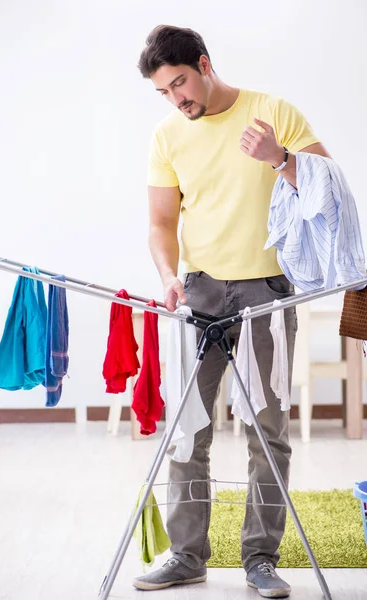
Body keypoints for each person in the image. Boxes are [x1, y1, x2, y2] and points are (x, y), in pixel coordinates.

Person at [133, 24, 330, 598]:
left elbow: (328, 191)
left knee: (267, 431)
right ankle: (186, 554)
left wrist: (281, 158)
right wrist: (170, 278)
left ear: (204, 62)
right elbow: (161, 223)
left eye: (181, 83)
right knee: (186, 430)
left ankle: (260, 559)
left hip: (269, 292)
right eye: (164, 92)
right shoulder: (168, 135)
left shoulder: (273, 112)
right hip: (200, 292)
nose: (177, 99)